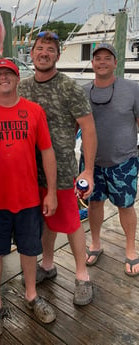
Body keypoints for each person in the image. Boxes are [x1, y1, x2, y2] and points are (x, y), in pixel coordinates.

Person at [0, 58, 58, 336]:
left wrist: (51, 192)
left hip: (29, 198)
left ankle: (31, 294)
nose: (4, 78)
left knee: (31, 248)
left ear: (18, 79)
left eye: (9, 74)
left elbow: (47, 151)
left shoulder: (34, 111)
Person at [18, 31, 97, 305]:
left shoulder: (69, 87)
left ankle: (82, 275)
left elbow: (87, 128)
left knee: (72, 222)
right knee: (46, 220)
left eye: (50, 49)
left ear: (58, 56)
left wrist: (88, 171)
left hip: (62, 171)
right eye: (40, 48)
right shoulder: (22, 87)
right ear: (32, 53)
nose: (44, 53)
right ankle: (48, 265)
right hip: (30, 172)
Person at [82, 43, 139, 276]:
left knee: (125, 206)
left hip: (124, 160)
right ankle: (95, 243)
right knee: (94, 204)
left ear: (116, 63)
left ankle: (131, 248)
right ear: (93, 63)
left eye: (108, 58)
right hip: (91, 163)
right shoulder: (83, 91)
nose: (102, 62)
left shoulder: (133, 88)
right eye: (98, 58)